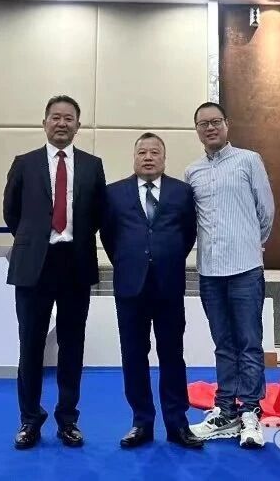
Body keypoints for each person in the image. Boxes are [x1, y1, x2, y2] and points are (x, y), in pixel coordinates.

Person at [2, 95, 107, 450]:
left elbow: (98, 214)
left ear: (78, 125)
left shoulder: (92, 166)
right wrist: (35, 240)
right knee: (30, 345)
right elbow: (11, 213)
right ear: (44, 122)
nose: (62, 123)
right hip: (34, 266)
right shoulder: (24, 164)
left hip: (75, 264)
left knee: (72, 346)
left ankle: (68, 420)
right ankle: (29, 420)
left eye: (69, 118)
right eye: (56, 117)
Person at [100, 133, 204, 450]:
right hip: (130, 287)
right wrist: (130, 261)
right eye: (142, 152)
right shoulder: (114, 193)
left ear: (164, 158)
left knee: (172, 354)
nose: (148, 157)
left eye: (154, 152)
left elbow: (188, 234)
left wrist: (165, 258)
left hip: (168, 286)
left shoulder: (182, 192)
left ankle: (177, 423)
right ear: (134, 157)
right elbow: (109, 236)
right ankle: (141, 422)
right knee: (133, 355)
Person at [184, 102, 275, 449]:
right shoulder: (192, 172)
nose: (210, 128)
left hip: (245, 268)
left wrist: (249, 242)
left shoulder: (249, 161)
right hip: (209, 271)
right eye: (203, 124)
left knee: (249, 343)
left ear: (227, 124)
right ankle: (225, 410)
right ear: (197, 130)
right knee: (223, 344)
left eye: (215, 122)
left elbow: (266, 212)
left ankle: (250, 411)